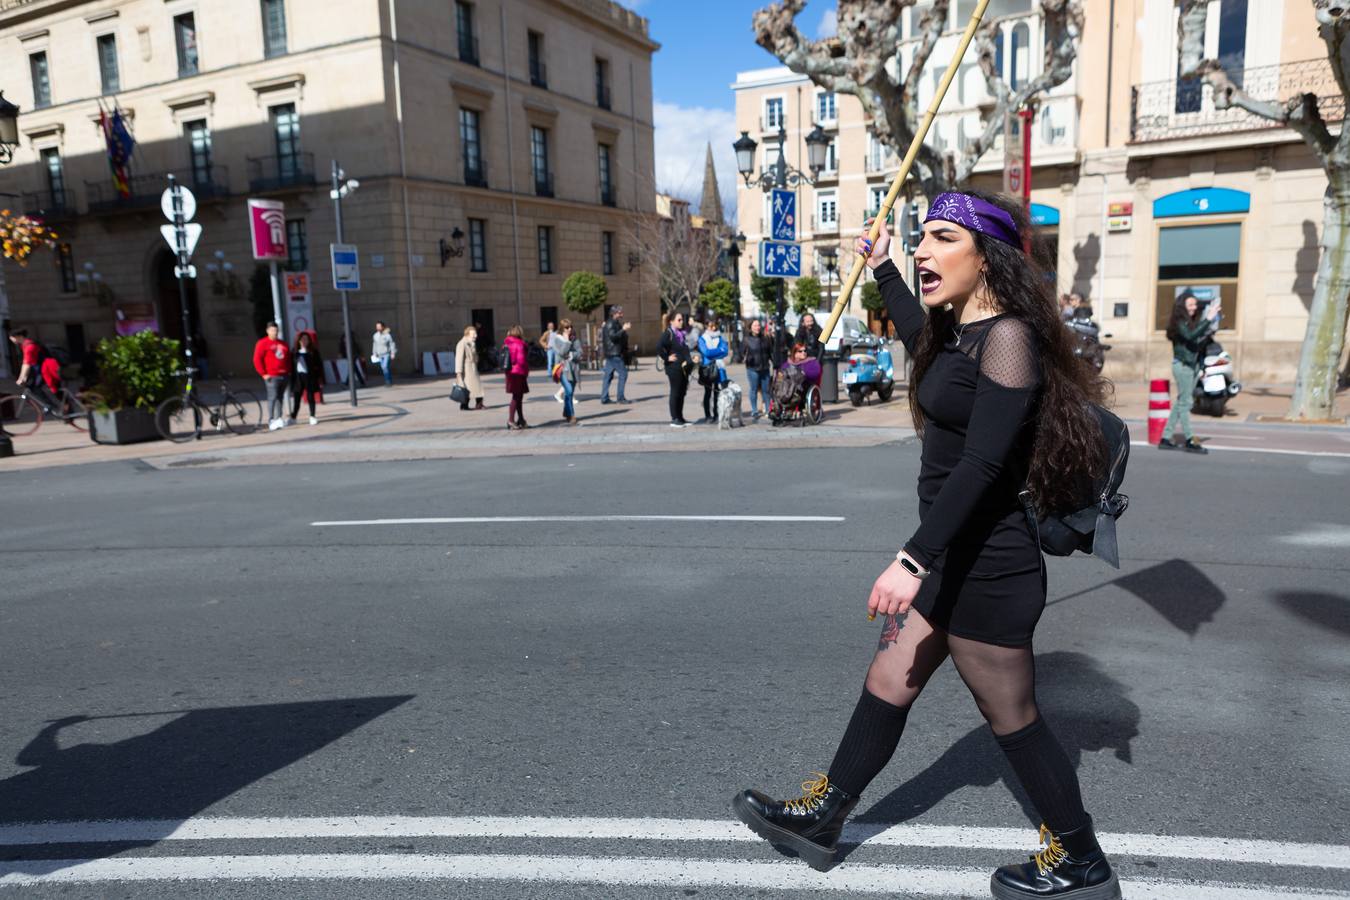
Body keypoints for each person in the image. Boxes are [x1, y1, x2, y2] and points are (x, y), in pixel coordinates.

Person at [732, 192, 1122, 900]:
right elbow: (922, 344)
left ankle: (1080, 858)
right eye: (921, 239)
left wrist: (913, 559)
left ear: (987, 255)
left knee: (1013, 719)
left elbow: (980, 465)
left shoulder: (1009, 339)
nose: (924, 251)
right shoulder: (958, 335)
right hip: (953, 557)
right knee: (888, 682)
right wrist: (882, 267)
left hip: (989, 564)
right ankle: (826, 817)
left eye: (942, 238)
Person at [1158, 291, 1219, 454]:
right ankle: (1190, 439)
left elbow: (1198, 346)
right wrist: (1208, 319)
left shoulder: (1192, 321)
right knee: (1186, 403)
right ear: (1182, 306)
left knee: (1181, 402)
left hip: (1192, 366)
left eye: (1195, 305)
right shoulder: (1179, 322)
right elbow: (1191, 337)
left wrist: (1202, 368)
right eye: (1190, 305)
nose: (1194, 308)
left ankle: (1165, 437)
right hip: (1183, 365)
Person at [252, 321, 291, 430]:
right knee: (272, 397)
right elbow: (257, 359)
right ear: (268, 331)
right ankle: (271, 419)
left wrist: (289, 372)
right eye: (273, 330)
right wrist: (263, 374)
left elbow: (288, 358)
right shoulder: (262, 343)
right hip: (271, 376)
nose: (275, 332)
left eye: (276, 330)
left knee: (280, 397)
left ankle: (279, 418)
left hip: (284, 375)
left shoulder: (283, 343)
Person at [658, 311, 692, 428]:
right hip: (673, 368)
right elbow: (659, 347)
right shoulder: (668, 333)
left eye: (682, 319)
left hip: (683, 368)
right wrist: (667, 358)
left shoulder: (680, 334)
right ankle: (674, 418)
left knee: (682, 393)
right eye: (679, 320)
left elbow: (684, 349)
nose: (681, 321)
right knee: (675, 392)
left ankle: (680, 417)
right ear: (671, 321)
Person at [549, 318, 582, 425]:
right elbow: (562, 353)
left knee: (570, 393)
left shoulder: (575, 339)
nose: (569, 329)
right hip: (563, 369)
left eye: (570, 327)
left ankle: (566, 412)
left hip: (573, 369)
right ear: (562, 328)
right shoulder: (557, 339)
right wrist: (567, 341)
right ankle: (571, 415)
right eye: (567, 327)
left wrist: (573, 355)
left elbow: (580, 352)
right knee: (568, 390)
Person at [697, 319, 729, 424]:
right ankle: (707, 415)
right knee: (708, 393)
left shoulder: (720, 337)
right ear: (706, 327)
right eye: (710, 326)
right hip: (708, 369)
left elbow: (726, 351)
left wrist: (714, 353)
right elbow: (706, 352)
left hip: (720, 369)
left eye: (714, 326)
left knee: (718, 393)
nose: (713, 328)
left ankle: (717, 414)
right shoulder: (702, 339)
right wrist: (719, 351)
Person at [288, 330, 324, 426]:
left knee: (310, 397)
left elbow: (319, 365)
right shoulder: (294, 352)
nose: (304, 341)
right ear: (298, 341)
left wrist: (319, 378)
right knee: (297, 399)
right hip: (298, 378)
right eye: (302, 339)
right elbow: (291, 365)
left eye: (306, 339)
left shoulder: (313, 352)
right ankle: (293, 417)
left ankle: (312, 416)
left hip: (310, 377)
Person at [599, 306, 632, 404]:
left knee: (608, 375)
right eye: (620, 312)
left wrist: (623, 330)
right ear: (614, 313)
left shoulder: (614, 322)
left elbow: (619, 335)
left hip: (612, 353)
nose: (622, 313)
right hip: (614, 353)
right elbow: (613, 337)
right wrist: (623, 329)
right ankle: (620, 398)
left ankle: (604, 398)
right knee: (623, 374)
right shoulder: (610, 323)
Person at [742, 319, 772, 419]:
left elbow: (770, 352)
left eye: (758, 325)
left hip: (765, 367)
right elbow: (741, 352)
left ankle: (768, 410)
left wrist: (774, 363)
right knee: (754, 389)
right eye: (755, 326)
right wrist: (746, 358)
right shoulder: (746, 339)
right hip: (752, 368)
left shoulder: (765, 338)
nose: (757, 327)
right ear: (750, 327)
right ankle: (754, 410)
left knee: (766, 390)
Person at [502, 325, 530, 430]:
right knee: (516, 397)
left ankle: (521, 420)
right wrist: (526, 372)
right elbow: (522, 360)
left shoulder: (506, 343)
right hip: (518, 372)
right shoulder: (520, 344)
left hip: (509, 372)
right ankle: (511, 420)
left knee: (518, 397)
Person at [455, 325, 486, 411]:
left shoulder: (472, 343)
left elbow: (475, 358)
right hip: (467, 370)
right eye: (474, 334)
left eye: (476, 334)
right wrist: (458, 372)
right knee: (467, 388)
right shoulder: (462, 344)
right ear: (467, 334)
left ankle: (478, 403)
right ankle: (464, 405)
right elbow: (459, 359)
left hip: (473, 369)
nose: (476, 336)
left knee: (477, 387)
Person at [541, 321, 563, 404]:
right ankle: (549, 373)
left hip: (555, 349)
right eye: (550, 325)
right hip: (550, 349)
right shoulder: (546, 333)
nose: (551, 326)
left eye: (552, 325)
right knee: (550, 362)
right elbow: (541, 340)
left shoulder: (556, 332)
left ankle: (555, 373)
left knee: (556, 362)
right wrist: (545, 346)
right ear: (547, 327)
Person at [371, 321, 397, 386]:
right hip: (379, 354)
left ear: (383, 327)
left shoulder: (387, 335)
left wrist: (392, 353)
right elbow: (374, 344)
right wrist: (374, 353)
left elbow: (392, 344)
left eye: (379, 326)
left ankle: (387, 381)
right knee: (384, 368)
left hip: (386, 354)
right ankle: (389, 380)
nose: (378, 328)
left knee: (385, 367)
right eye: (377, 327)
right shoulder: (375, 335)